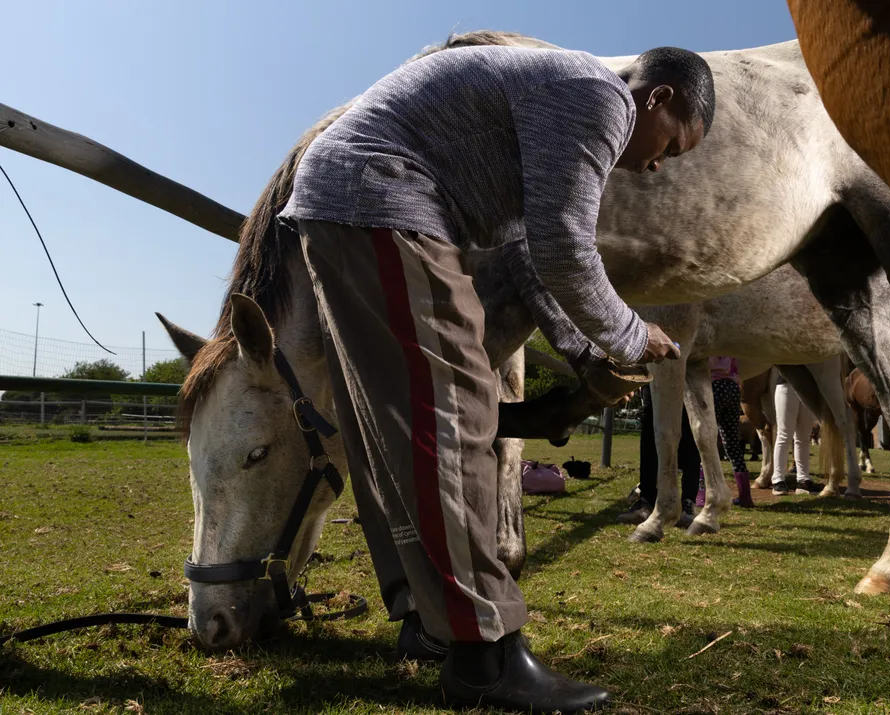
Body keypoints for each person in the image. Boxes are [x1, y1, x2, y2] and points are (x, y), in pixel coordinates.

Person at [280, 41, 715, 714]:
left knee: (391, 419)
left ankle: (427, 618)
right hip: (383, 196)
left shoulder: (555, 104)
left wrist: (585, 356)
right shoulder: (598, 98)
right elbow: (566, 248)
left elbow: (528, 250)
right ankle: (485, 653)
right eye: (671, 145)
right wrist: (632, 334)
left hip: (346, 199)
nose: (656, 165)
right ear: (657, 98)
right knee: (451, 413)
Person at [617, 384, 701, 526]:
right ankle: (647, 501)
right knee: (649, 421)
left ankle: (687, 502)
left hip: (687, 375)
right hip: (653, 374)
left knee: (688, 426)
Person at [708, 356, 754, 508]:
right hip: (732, 387)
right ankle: (745, 495)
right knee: (732, 443)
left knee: (706, 441)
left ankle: (704, 494)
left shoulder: (710, 342)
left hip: (714, 385)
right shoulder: (729, 347)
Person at [770, 372, 823, 496]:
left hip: (808, 387)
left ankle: (803, 480)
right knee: (784, 435)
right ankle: (778, 480)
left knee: (804, 437)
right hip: (786, 384)